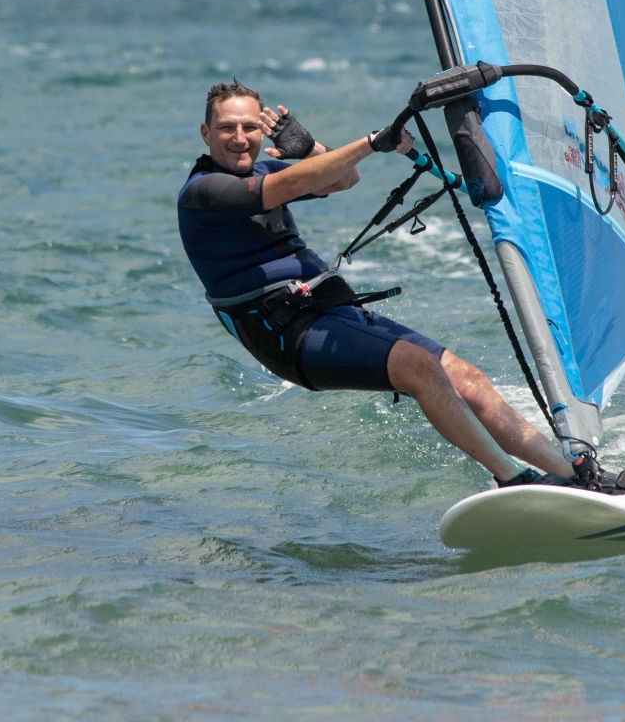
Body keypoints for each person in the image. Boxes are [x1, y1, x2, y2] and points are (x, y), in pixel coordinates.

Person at [177, 81, 582, 488]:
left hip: (326, 310)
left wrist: (311, 149)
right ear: (206, 133)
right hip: (284, 333)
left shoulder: (262, 171)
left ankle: (574, 475)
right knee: (419, 367)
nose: (240, 138)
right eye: (227, 128)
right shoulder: (203, 191)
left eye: (250, 127)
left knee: (467, 378)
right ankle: (517, 480)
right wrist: (371, 142)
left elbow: (344, 179)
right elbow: (293, 185)